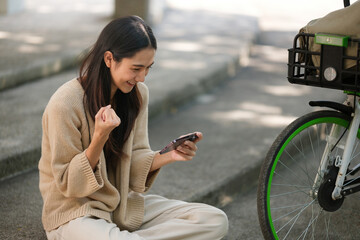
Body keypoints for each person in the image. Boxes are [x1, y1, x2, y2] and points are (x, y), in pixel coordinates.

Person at [38, 16, 228, 240]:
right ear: (109, 59)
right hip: (74, 213)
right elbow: (69, 185)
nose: (142, 78)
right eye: (136, 68)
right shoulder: (65, 103)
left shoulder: (137, 95)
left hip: (120, 207)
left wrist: (168, 155)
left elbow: (132, 161)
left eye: (148, 68)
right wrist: (99, 138)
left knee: (213, 220)